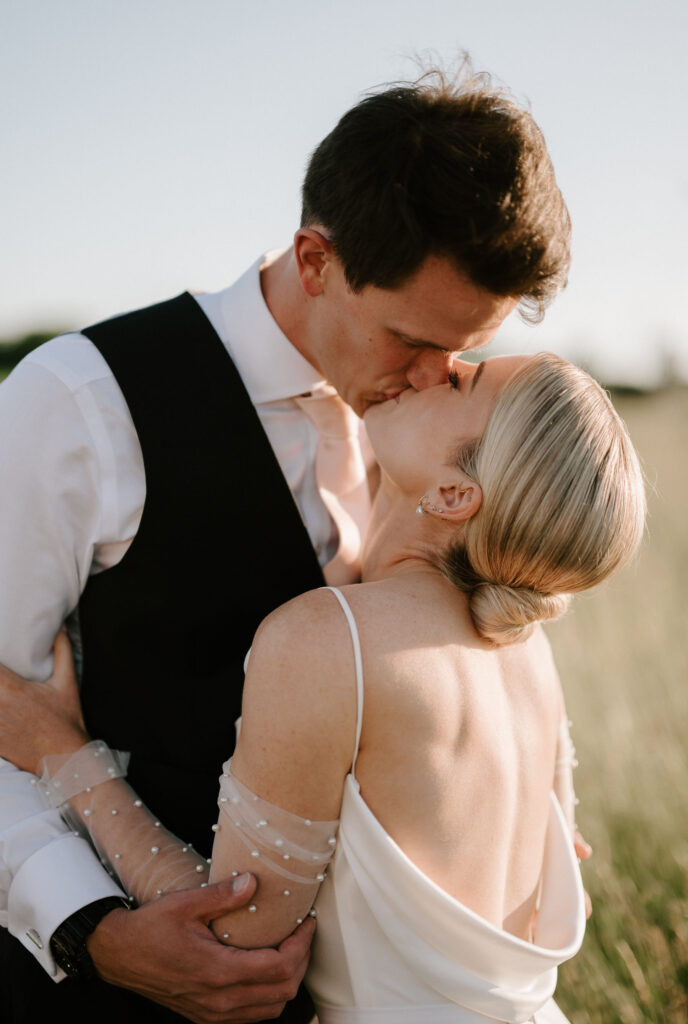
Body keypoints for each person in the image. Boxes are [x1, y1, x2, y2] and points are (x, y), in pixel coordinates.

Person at [0, 64, 572, 1023]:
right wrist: (86, 926)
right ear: (316, 259)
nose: (436, 378)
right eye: (409, 341)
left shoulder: (435, 441)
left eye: (465, 353)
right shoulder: (76, 406)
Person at [0, 351, 646, 1024]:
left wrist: (63, 755)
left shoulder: (329, 638)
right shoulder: (529, 652)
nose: (436, 362)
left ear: (455, 493)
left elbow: (231, 937)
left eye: (462, 379)